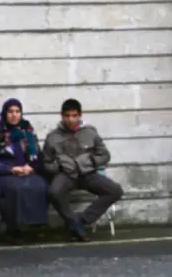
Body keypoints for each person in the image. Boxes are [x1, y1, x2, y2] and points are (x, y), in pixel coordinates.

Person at [43, 98, 123, 242]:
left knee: (115, 190)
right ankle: (73, 222)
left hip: (88, 174)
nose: (70, 119)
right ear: (62, 116)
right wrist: (58, 167)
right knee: (54, 192)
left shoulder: (90, 132)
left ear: (80, 116)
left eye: (74, 115)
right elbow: (46, 162)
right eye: (67, 116)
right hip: (66, 175)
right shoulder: (53, 137)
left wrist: (91, 161)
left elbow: (104, 155)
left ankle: (80, 222)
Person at [0, 98, 50, 243]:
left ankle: (35, 226)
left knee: (40, 184)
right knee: (15, 188)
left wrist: (30, 167)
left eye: (17, 112)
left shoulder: (27, 130)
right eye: (11, 112)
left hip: (25, 170)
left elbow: (37, 154)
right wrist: (11, 169)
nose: (14, 115)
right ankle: (13, 230)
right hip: (2, 172)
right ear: (5, 113)